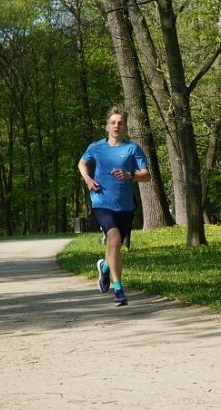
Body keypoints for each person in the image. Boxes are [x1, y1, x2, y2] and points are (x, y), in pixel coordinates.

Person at [78, 106, 151, 306]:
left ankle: (105, 269)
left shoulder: (132, 149)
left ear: (126, 127)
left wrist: (130, 175)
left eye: (120, 123)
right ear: (106, 126)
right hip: (101, 201)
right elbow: (82, 163)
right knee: (115, 240)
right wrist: (88, 179)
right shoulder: (96, 147)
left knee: (114, 246)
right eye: (113, 122)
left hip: (125, 205)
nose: (116, 126)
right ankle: (118, 289)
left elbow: (147, 175)